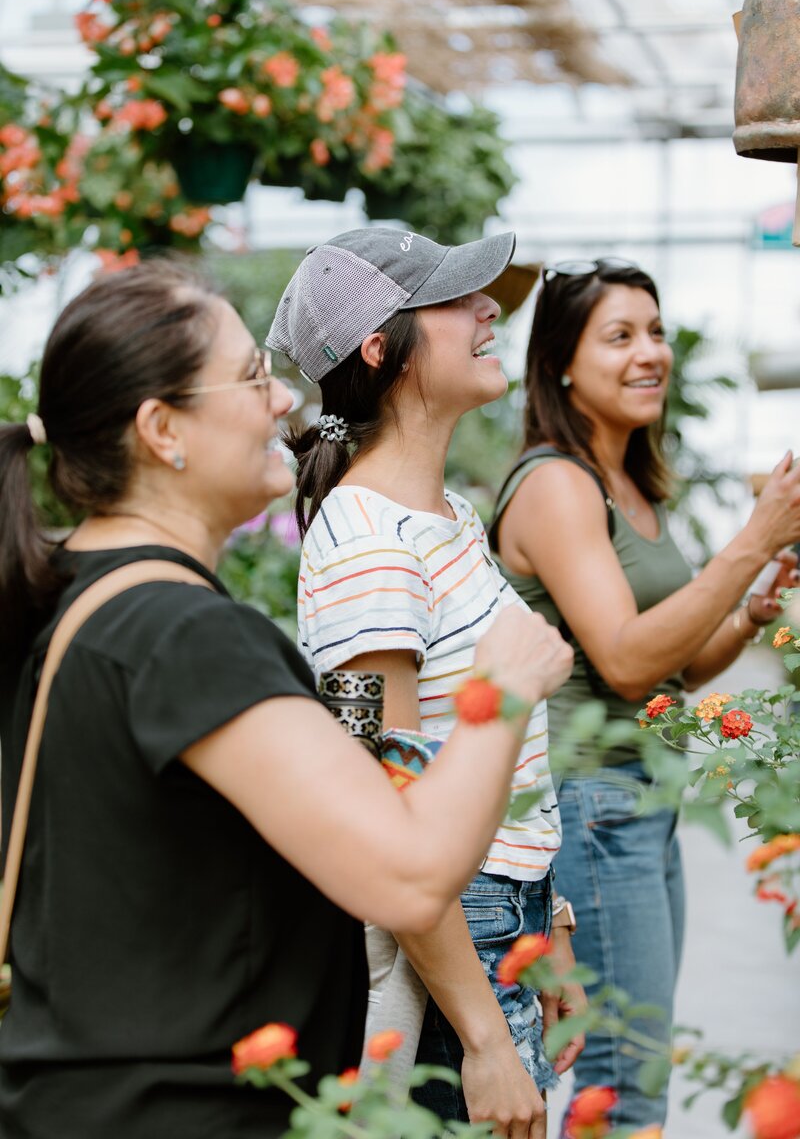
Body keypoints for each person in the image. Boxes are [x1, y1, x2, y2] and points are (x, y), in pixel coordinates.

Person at [0, 261, 574, 1139]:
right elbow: (409, 873)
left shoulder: (80, 597)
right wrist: (501, 688)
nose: (283, 402)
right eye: (251, 377)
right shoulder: (183, 637)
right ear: (163, 429)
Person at [270, 227, 583, 1139]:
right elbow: (385, 800)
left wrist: (548, 921)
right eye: (457, 298)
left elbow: (500, 756)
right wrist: (484, 1039)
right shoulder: (371, 544)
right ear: (381, 349)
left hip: (504, 910)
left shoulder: (442, 516)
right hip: (455, 937)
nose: (490, 310)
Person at [490, 257, 800, 1130]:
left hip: (640, 799)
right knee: (625, 1083)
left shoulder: (631, 485)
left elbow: (668, 671)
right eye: (619, 336)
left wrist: (745, 613)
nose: (650, 353)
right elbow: (624, 663)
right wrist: (749, 541)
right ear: (559, 361)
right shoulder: (557, 484)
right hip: (591, 803)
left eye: (656, 332)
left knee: (636, 1069)